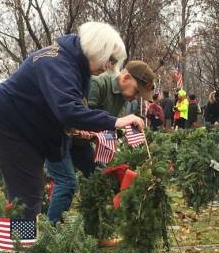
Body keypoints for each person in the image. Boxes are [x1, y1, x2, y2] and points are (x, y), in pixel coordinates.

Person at [0, 21, 144, 219]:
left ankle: (31, 240)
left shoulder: (77, 66)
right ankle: (19, 247)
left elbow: (69, 109)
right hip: (11, 123)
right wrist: (114, 121)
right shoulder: (58, 63)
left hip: (36, 126)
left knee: (35, 190)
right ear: (98, 48)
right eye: (111, 60)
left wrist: (78, 128)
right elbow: (68, 110)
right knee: (27, 194)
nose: (109, 67)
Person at [45, 60, 154, 223]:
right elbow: (79, 115)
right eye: (137, 91)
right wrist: (86, 130)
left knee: (101, 176)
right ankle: (53, 238)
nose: (135, 98)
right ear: (125, 78)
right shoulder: (97, 84)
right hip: (56, 136)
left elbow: (110, 125)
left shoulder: (123, 97)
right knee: (67, 182)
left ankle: (96, 229)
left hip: (79, 143)